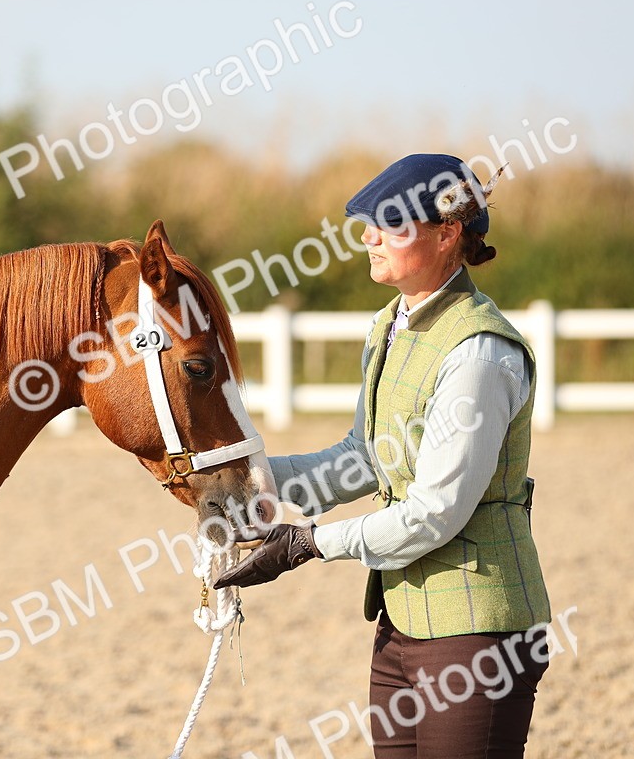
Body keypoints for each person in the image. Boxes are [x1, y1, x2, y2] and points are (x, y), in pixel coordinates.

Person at [215, 154, 551, 758]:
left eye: (388, 223)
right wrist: (249, 478)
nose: (367, 238)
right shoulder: (390, 325)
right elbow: (367, 461)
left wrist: (309, 544)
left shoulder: (478, 354)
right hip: (399, 627)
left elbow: (434, 512)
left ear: (447, 233)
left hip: (478, 634)